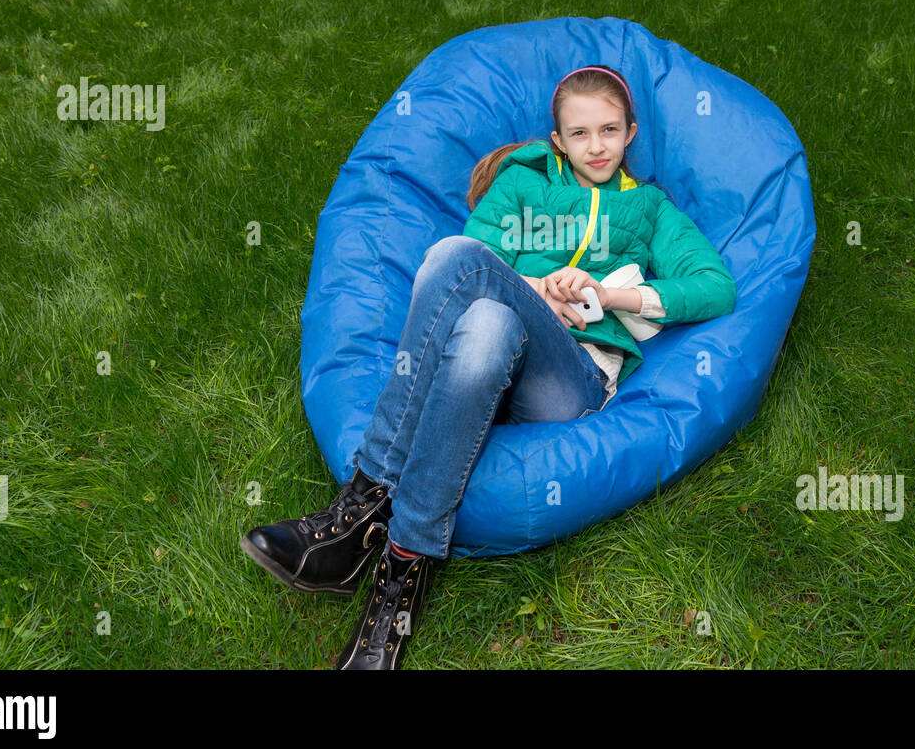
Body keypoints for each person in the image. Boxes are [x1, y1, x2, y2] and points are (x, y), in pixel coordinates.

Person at [240, 64, 737, 669]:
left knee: (460, 265)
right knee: (485, 314)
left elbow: (715, 288)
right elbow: (479, 264)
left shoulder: (650, 208)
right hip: (494, 345)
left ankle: (358, 512)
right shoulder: (520, 187)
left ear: (631, 131)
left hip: (570, 379)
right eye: (579, 134)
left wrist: (607, 295)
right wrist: (536, 289)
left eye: (609, 130)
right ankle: (402, 572)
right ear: (557, 140)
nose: (597, 146)